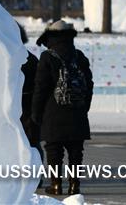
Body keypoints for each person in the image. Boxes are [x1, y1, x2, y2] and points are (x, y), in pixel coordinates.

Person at [31, 20, 94, 196]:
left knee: (54, 151)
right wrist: (84, 107)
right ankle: (75, 186)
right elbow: (89, 85)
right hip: (77, 113)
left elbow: (41, 88)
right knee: (76, 153)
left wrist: (36, 113)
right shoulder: (79, 56)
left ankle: (56, 185)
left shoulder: (47, 57)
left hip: (53, 114)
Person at [18, 23, 43, 185]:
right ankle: (36, 177)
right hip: (31, 108)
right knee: (33, 144)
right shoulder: (31, 59)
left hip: (19, 107)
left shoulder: (5, 59)